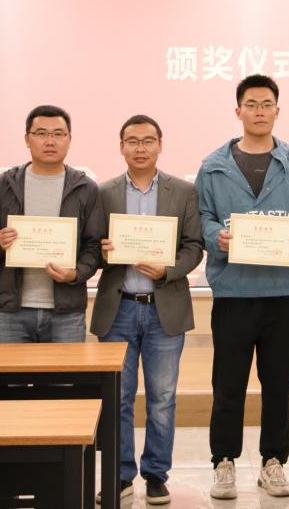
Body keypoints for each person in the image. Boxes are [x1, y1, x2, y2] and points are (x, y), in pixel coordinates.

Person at [194, 74, 289, 499]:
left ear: (277, 111)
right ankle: (224, 461)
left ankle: (273, 462)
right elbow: (203, 216)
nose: (259, 111)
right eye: (251, 104)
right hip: (233, 292)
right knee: (227, 386)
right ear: (238, 111)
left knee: (278, 386)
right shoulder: (213, 164)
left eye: (267, 104)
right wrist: (215, 236)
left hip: (282, 294)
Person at [92, 115, 204, 505]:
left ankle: (156, 474)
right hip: (118, 308)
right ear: (121, 146)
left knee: (162, 399)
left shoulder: (183, 192)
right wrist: (103, 251)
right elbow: (90, 247)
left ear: (160, 144)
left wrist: (167, 270)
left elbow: (194, 246)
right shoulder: (103, 193)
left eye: (148, 141)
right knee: (118, 399)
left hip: (163, 308)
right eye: (132, 141)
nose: (140, 148)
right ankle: (120, 474)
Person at [0, 104, 104, 343]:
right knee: (5, 370)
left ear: (69, 139)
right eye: (41, 133)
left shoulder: (86, 188)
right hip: (9, 311)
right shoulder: (4, 185)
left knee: (66, 370)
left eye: (58, 134)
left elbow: (94, 245)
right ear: (27, 139)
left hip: (66, 312)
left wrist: (75, 273)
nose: (50, 141)